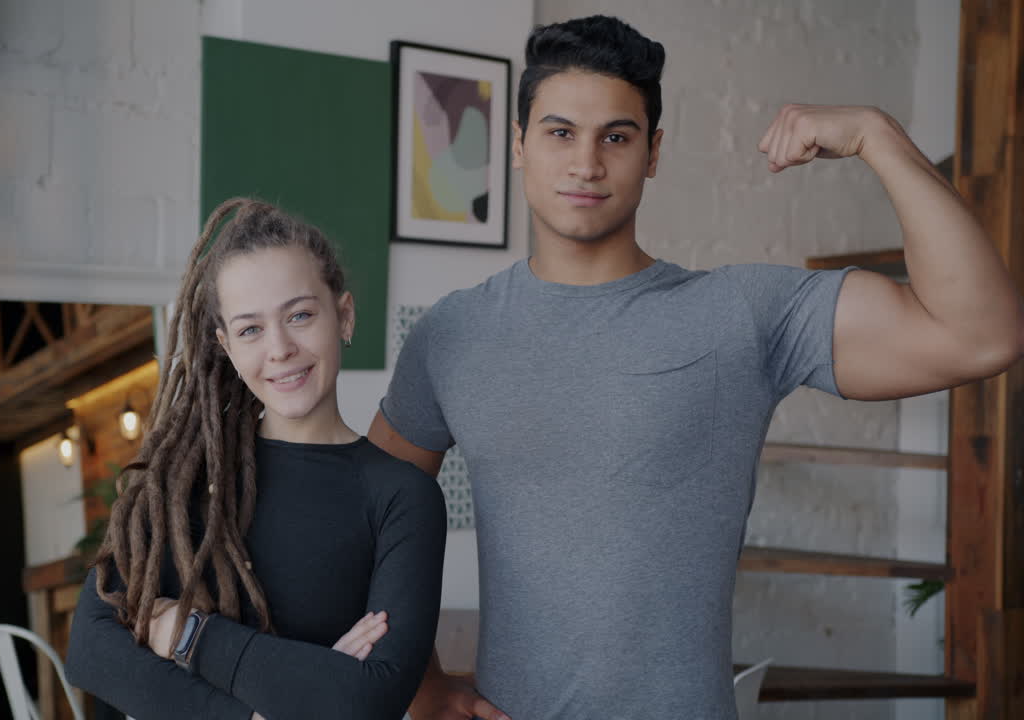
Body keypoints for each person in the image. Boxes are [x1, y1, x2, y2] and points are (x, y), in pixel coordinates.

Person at [368, 14, 1024, 720]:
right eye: (560, 133)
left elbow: (980, 335)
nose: (586, 164)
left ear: (652, 153)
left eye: (615, 137)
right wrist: (424, 687)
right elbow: (368, 522)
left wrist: (877, 135)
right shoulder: (452, 334)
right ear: (520, 144)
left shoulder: (741, 313)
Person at [66, 198, 448, 720]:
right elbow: (92, 651)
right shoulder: (186, 478)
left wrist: (182, 634)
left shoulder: (403, 497)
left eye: (300, 315)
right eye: (250, 329)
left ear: (344, 315)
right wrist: (278, 704)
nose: (280, 348)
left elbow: (367, 700)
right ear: (225, 345)